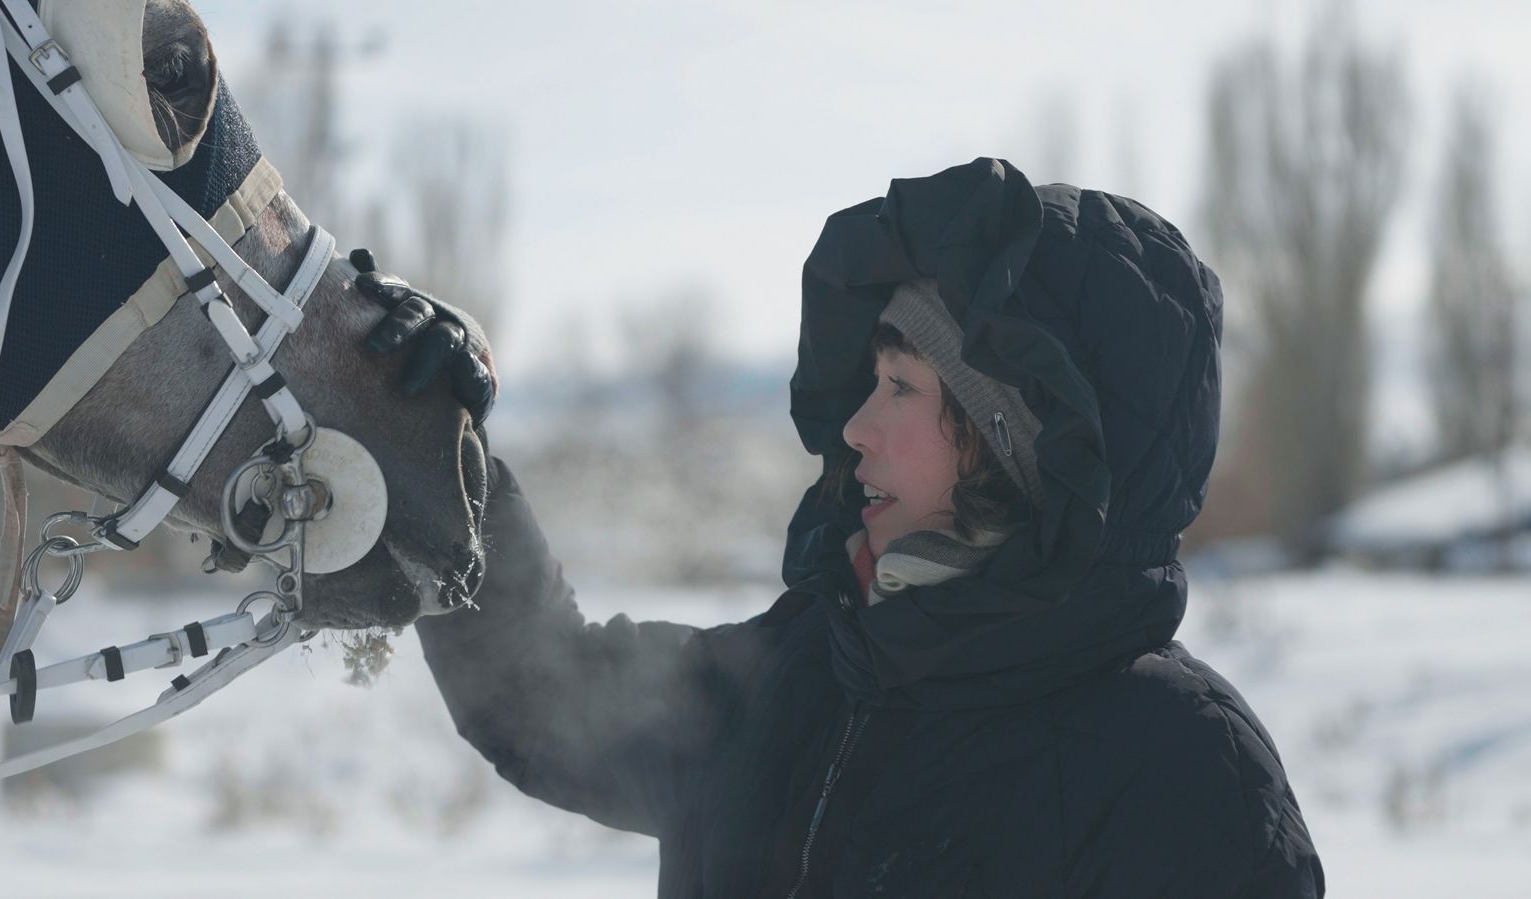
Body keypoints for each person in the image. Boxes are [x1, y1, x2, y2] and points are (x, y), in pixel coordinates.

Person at [355, 158, 1326, 897]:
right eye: (866, 382)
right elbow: (537, 696)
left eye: (900, 384)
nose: (854, 427)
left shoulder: (1180, 769)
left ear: (1021, 440)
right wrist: (432, 452)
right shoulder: (800, 674)